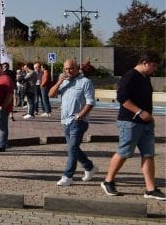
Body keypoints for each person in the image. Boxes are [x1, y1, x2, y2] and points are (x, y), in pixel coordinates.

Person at [101, 51, 165, 200]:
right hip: (129, 122)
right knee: (124, 152)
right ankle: (108, 181)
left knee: (149, 155)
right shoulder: (130, 76)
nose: (154, 69)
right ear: (145, 63)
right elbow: (121, 97)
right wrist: (140, 112)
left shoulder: (145, 77)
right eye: (153, 66)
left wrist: (149, 116)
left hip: (146, 123)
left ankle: (150, 189)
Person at [48, 59, 96, 186]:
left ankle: (67, 176)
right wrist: (59, 82)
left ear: (77, 68)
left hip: (78, 121)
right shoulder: (64, 82)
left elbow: (90, 102)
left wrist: (80, 116)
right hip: (65, 121)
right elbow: (51, 94)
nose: (68, 71)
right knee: (73, 148)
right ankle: (89, 167)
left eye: (71, 68)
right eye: (65, 69)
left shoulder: (85, 82)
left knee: (72, 147)